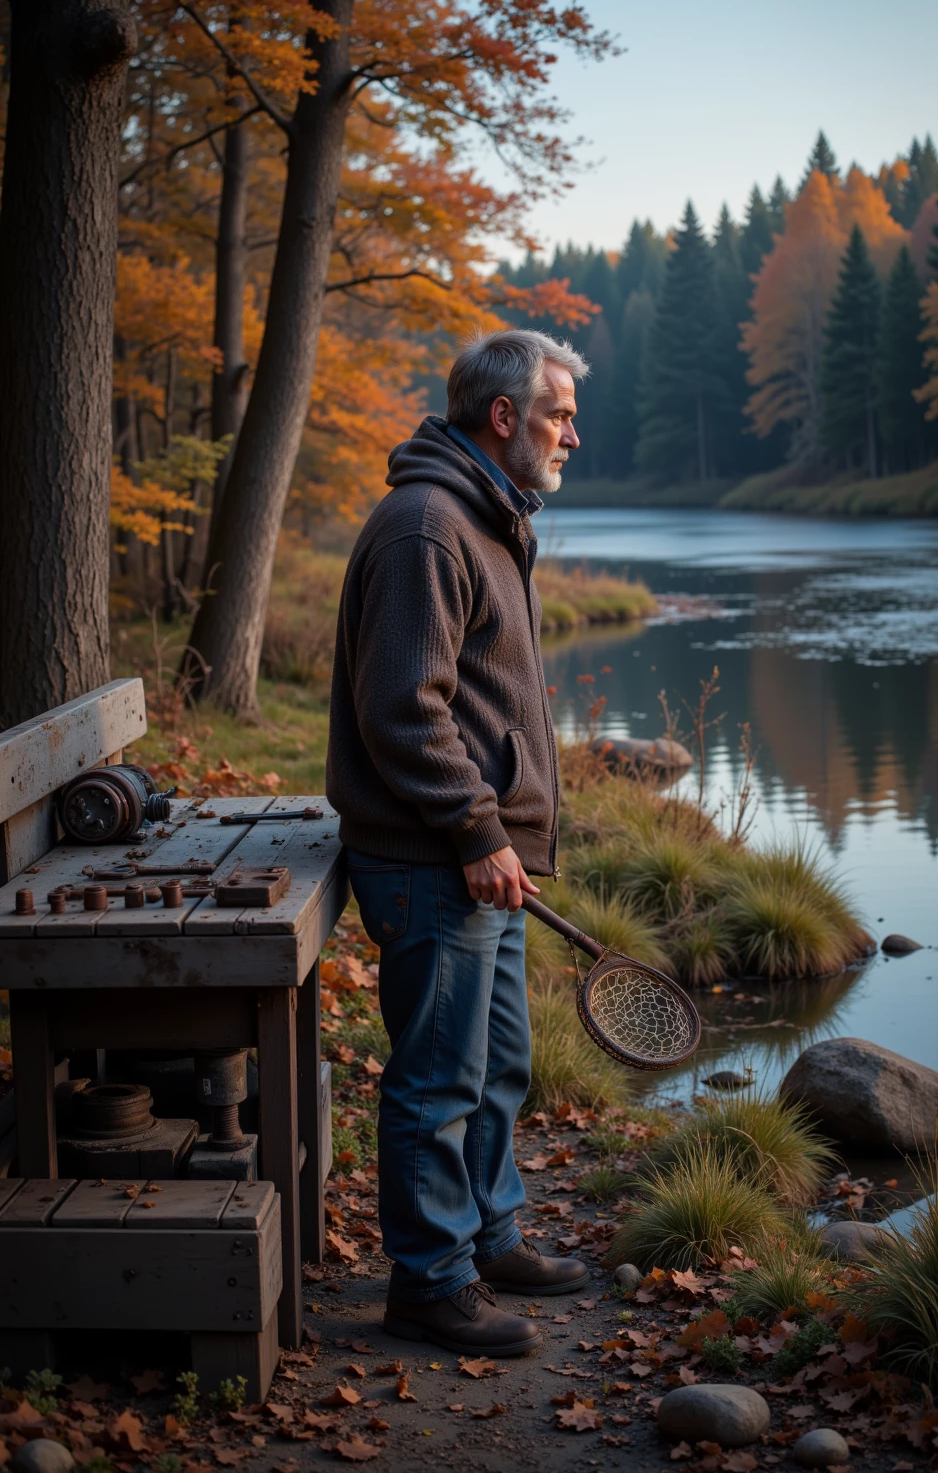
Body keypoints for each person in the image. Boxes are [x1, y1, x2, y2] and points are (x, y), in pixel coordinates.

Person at [326, 329, 589, 1356]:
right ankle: (428, 1283)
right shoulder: (429, 528)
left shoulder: (490, 515)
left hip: (484, 864)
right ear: (504, 418)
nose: (574, 432)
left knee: (497, 1065)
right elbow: (402, 708)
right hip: (438, 861)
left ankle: (489, 1235)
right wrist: (479, 829)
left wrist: (498, 837)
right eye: (560, 414)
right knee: (437, 1078)